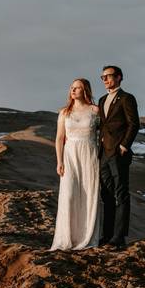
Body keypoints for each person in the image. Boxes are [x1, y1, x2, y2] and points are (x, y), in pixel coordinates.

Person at [50, 78, 102, 250]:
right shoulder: (64, 112)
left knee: (88, 194)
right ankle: (67, 238)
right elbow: (59, 138)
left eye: (77, 88)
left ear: (85, 90)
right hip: (70, 155)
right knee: (69, 194)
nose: (73, 90)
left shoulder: (95, 110)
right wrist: (59, 161)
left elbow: (103, 135)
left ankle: (86, 238)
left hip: (89, 154)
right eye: (72, 87)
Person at [97, 65, 140, 248]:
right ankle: (107, 236)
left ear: (119, 77)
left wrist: (124, 145)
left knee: (121, 194)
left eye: (109, 76)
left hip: (118, 153)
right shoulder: (102, 100)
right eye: (103, 77)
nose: (105, 80)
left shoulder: (127, 98)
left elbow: (134, 123)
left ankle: (119, 238)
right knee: (106, 195)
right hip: (103, 154)